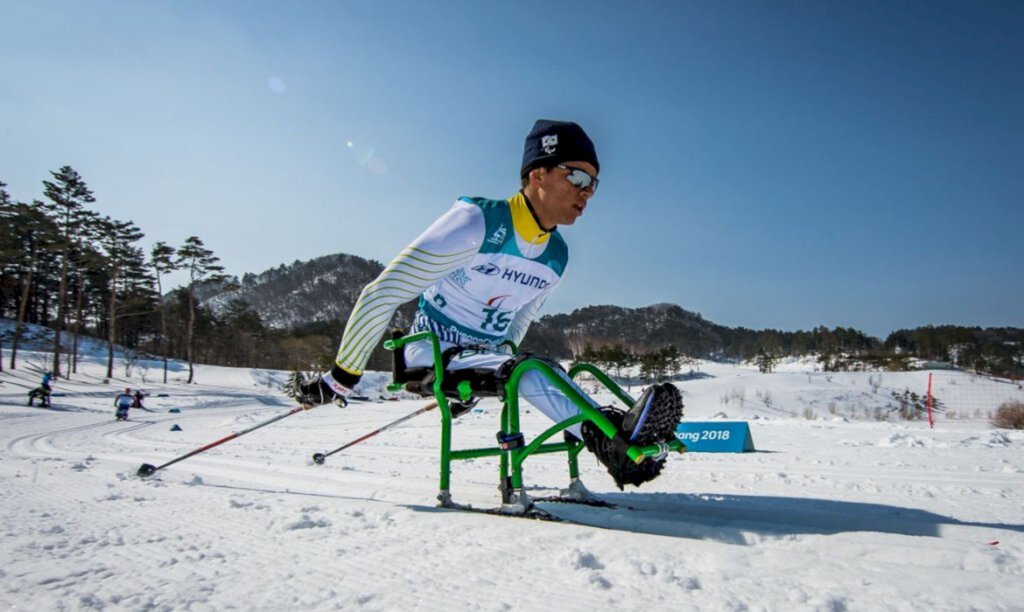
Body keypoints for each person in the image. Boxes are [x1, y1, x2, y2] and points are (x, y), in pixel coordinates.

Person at [295, 119, 683, 489]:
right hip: (432, 350)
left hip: (485, 357)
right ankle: (611, 443)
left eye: (594, 185)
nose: (587, 192)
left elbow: (519, 322)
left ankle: (616, 434)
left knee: (536, 368)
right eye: (577, 177)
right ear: (538, 174)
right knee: (532, 369)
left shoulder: (556, 256)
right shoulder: (477, 222)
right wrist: (342, 377)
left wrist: (494, 368)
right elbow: (382, 292)